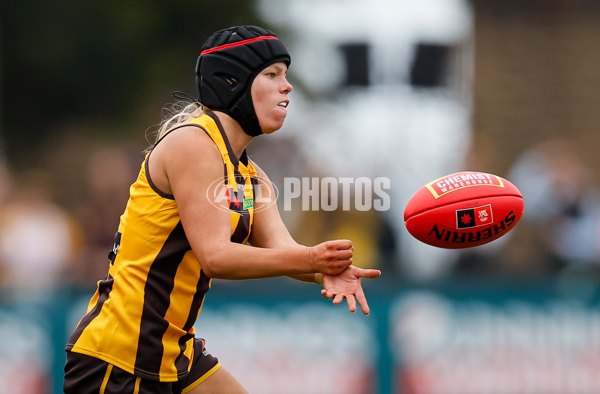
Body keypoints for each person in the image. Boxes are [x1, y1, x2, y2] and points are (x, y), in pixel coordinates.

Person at [63, 25, 381, 394]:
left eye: (286, 76)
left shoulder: (249, 176)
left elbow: (280, 249)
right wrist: (310, 259)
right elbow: (215, 256)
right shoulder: (194, 144)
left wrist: (323, 270)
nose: (287, 86)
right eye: (272, 75)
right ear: (232, 82)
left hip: (171, 355)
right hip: (118, 358)